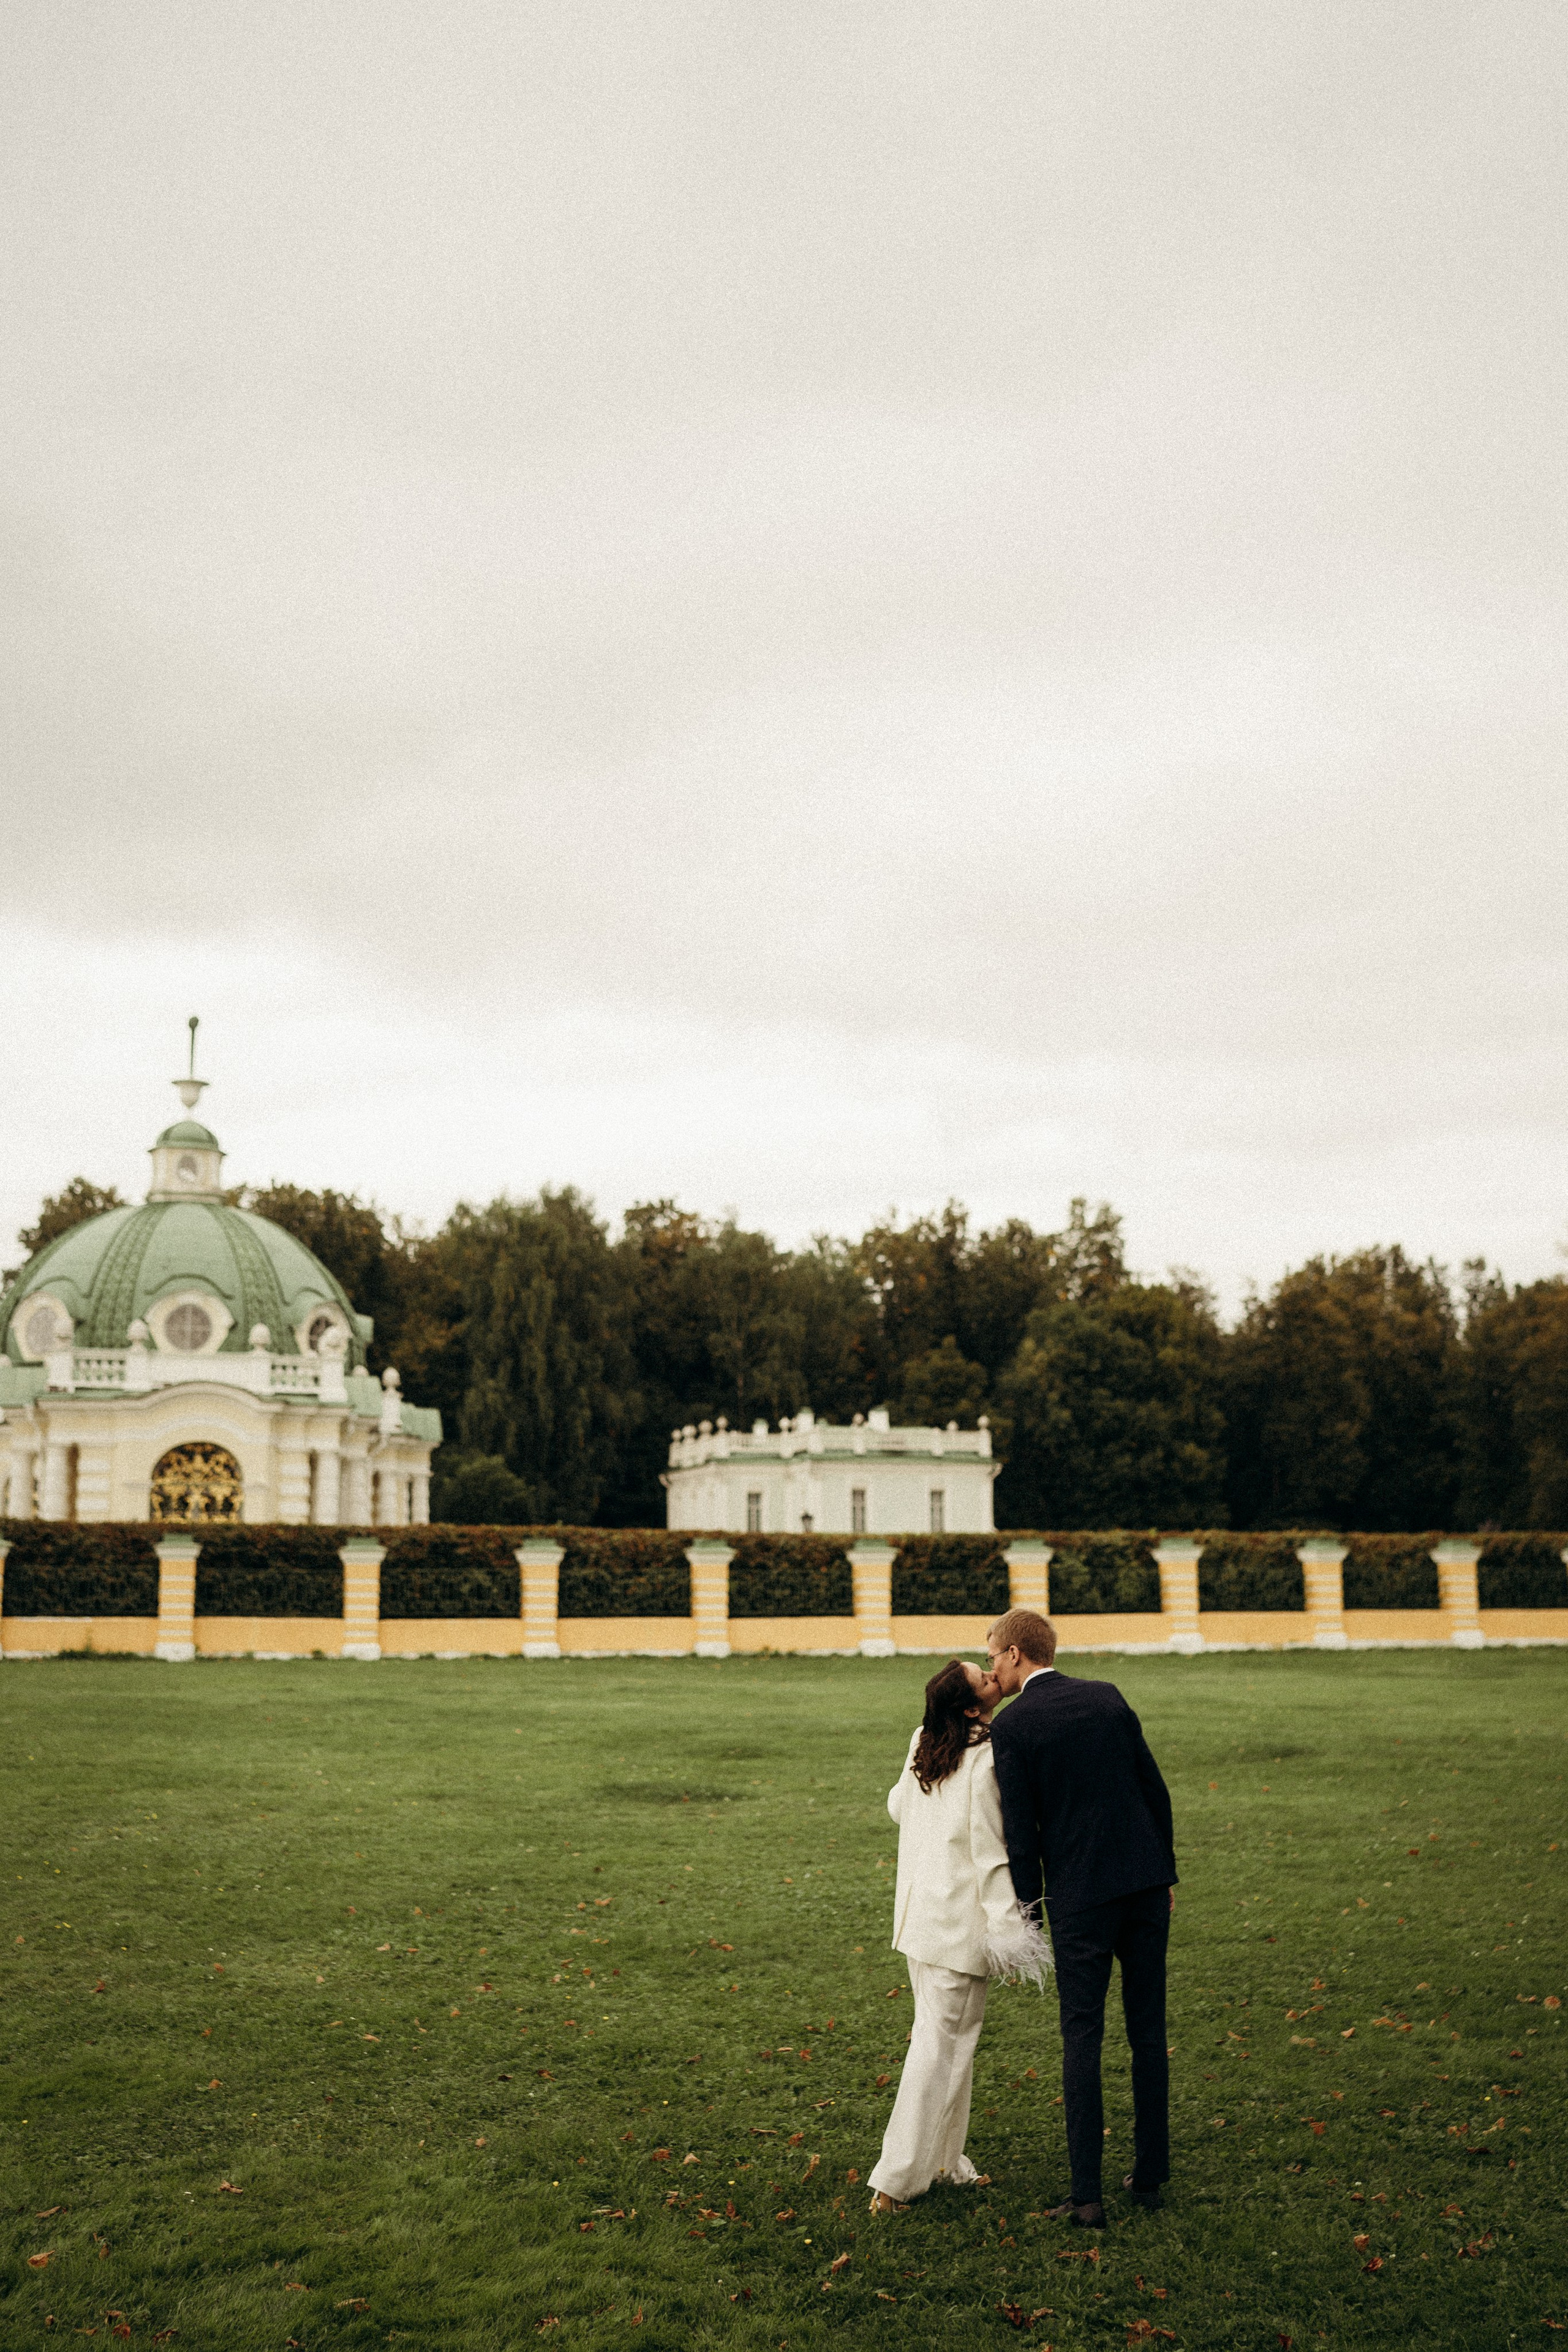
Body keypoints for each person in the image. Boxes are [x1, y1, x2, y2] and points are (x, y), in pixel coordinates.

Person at [986, 1606, 1177, 2228]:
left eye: (993, 1656)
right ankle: (1149, 2174)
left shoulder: (1013, 1727)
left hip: (1080, 1897)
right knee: (1147, 2030)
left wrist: (1026, 1906)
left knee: (1082, 2037)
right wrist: (1165, 1874)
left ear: (1016, 1653)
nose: (992, 1667)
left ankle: (1086, 2194)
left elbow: (1021, 1831)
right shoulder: (1107, 1697)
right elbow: (1154, 1789)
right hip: (1144, 1884)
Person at [866, 1657, 1051, 2214]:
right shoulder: (986, 1757)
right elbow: (991, 1855)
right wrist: (1009, 1929)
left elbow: (899, 1806)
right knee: (937, 2049)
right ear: (973, 1707)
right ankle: (895, 2181)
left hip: (919, 1920)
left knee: (952, 2047)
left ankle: (948, 2162)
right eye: (986, 1679)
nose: (997, 1678)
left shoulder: (924, 1738)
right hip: (957, 1929)